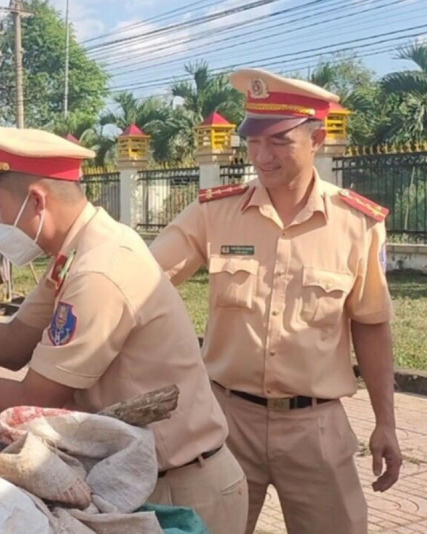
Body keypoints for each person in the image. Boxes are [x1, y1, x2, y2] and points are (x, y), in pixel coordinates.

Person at [0, 115, 248, 534]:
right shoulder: (74, 255)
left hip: (182, 487)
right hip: (142, 477)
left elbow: (34, 401)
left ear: (37, 201)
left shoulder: (98, 270)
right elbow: (12, 343)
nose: (1, 224)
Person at [149, 68, 402, 534]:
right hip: (225, 424)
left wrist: (386, 422)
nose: (263, 156)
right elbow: (144, 278)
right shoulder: (214, 212)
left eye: (280, 141)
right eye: (254, 141)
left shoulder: (357, 224)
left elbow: (371, 323)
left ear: (317, 138)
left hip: (315, 429)